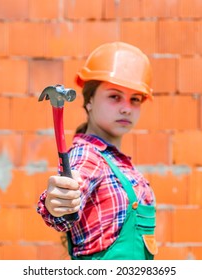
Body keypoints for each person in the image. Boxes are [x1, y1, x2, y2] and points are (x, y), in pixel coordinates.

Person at [37, 42, 158, 260]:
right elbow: (69, 196)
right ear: (89, 100)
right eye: (114, 96)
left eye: (135, 99)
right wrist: (58, 201)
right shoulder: (88, 155)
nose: (126, 108)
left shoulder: (117, 161)